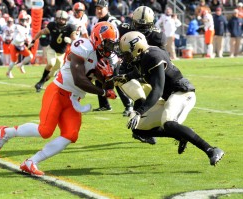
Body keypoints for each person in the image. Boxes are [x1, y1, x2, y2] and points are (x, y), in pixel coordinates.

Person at [0, 21, 119, 176]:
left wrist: (109, 76)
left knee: (71, 134)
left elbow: (108, 86)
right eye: (107, 44)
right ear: (97, 39)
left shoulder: (104, 57)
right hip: (58, 91)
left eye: (112, 44)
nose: (109, 48)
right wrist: (103, 93)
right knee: (45, 130)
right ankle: (7, 132)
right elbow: (79, 79)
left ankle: (31, 162)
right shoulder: (83, 46)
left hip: (73, 100)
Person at [113, 31, 224, 166]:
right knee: (138, 128)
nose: (125, 57)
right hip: (169, 97)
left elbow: (158, 89)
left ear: (138, 49)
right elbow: (139, 72)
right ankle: (181, 134)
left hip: (182, 93)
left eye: (126, 53)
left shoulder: (153, 56)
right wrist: (126, 77)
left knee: (169, 123)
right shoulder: (143, 57)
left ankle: (212, 150)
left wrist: (139, 112)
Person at [118, 5, 167, 144]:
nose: (140, 29)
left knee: (156, 103)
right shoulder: (125, 29)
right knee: (140, 99)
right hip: (127, 72)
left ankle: (142, 130)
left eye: (144, 26)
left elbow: (163, 57)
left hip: (145, 73)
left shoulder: (157, 36)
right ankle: (139, 131)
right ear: (133, 22)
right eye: (138, 25)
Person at [90, 0, 130, 114]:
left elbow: (122, 36)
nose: (98, 10)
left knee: (116, 78)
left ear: (107, 8)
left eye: (100, 8)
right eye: (97, 8)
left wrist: (121, 54)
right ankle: (104, 105)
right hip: (102, 53)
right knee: (98, 75)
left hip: (114, 54)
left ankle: (128, 105)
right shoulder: (95, 20)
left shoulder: (112, 21)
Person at [30, 10, 77, 92]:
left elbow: (75, 40)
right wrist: (33, 41)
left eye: (62, 19)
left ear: (66, 19)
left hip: (61, 53)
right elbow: (41, 32)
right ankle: (41, 82)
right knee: (51, 63)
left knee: (52, 73)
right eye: (59, 19)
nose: (60, 20)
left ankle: (40, 83)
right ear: (56, 19)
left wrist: (70, 40)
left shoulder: (70, 27)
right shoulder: (52, 25)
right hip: (52, 49)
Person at [6, 12, 33, 78]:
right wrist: (26, 39)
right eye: (22, 20)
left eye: (24, 20)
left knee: (30, 56)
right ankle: (8, 72)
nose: (23, 21)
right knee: (13, 62)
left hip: (21, 45)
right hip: (14, 45)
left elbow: (29, 19)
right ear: (19, 20)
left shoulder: (27, 26)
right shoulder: (17, 27)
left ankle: (21, 65)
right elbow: (17, 39)